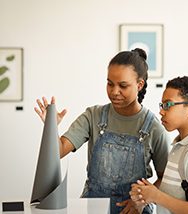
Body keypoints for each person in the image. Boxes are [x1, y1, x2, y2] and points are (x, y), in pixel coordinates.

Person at [34, 49, 170, 214]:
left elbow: (165, 178)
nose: (114, 91)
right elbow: (59, 151)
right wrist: (51, 126)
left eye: (123, 86)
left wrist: (140, 200)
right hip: (93, 209)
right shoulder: (93, 116)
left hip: (132, 210)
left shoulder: (154, 128)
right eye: (110, 83)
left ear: (139, 85)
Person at [129, 76, 188, 214]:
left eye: (168, 105)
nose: (161, 111)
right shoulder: (180, 147)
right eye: (162, 105)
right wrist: (146, 194)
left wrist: (156, 196)